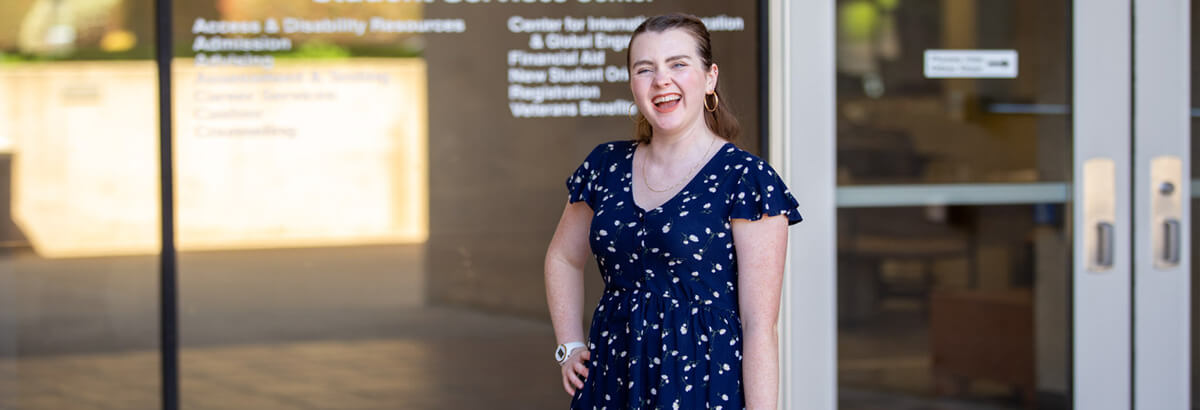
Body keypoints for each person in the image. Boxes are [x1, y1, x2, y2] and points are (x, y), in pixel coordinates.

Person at [544, 13, 802, 410]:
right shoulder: (604, 166)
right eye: (644, 69)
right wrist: (569, 343)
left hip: (701, 385)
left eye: (678, 64)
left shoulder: (745, 179)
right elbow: (563, 257)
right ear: (633, 84)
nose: (661, 80)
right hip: (613, 379)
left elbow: (759, 326)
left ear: (709, 77)